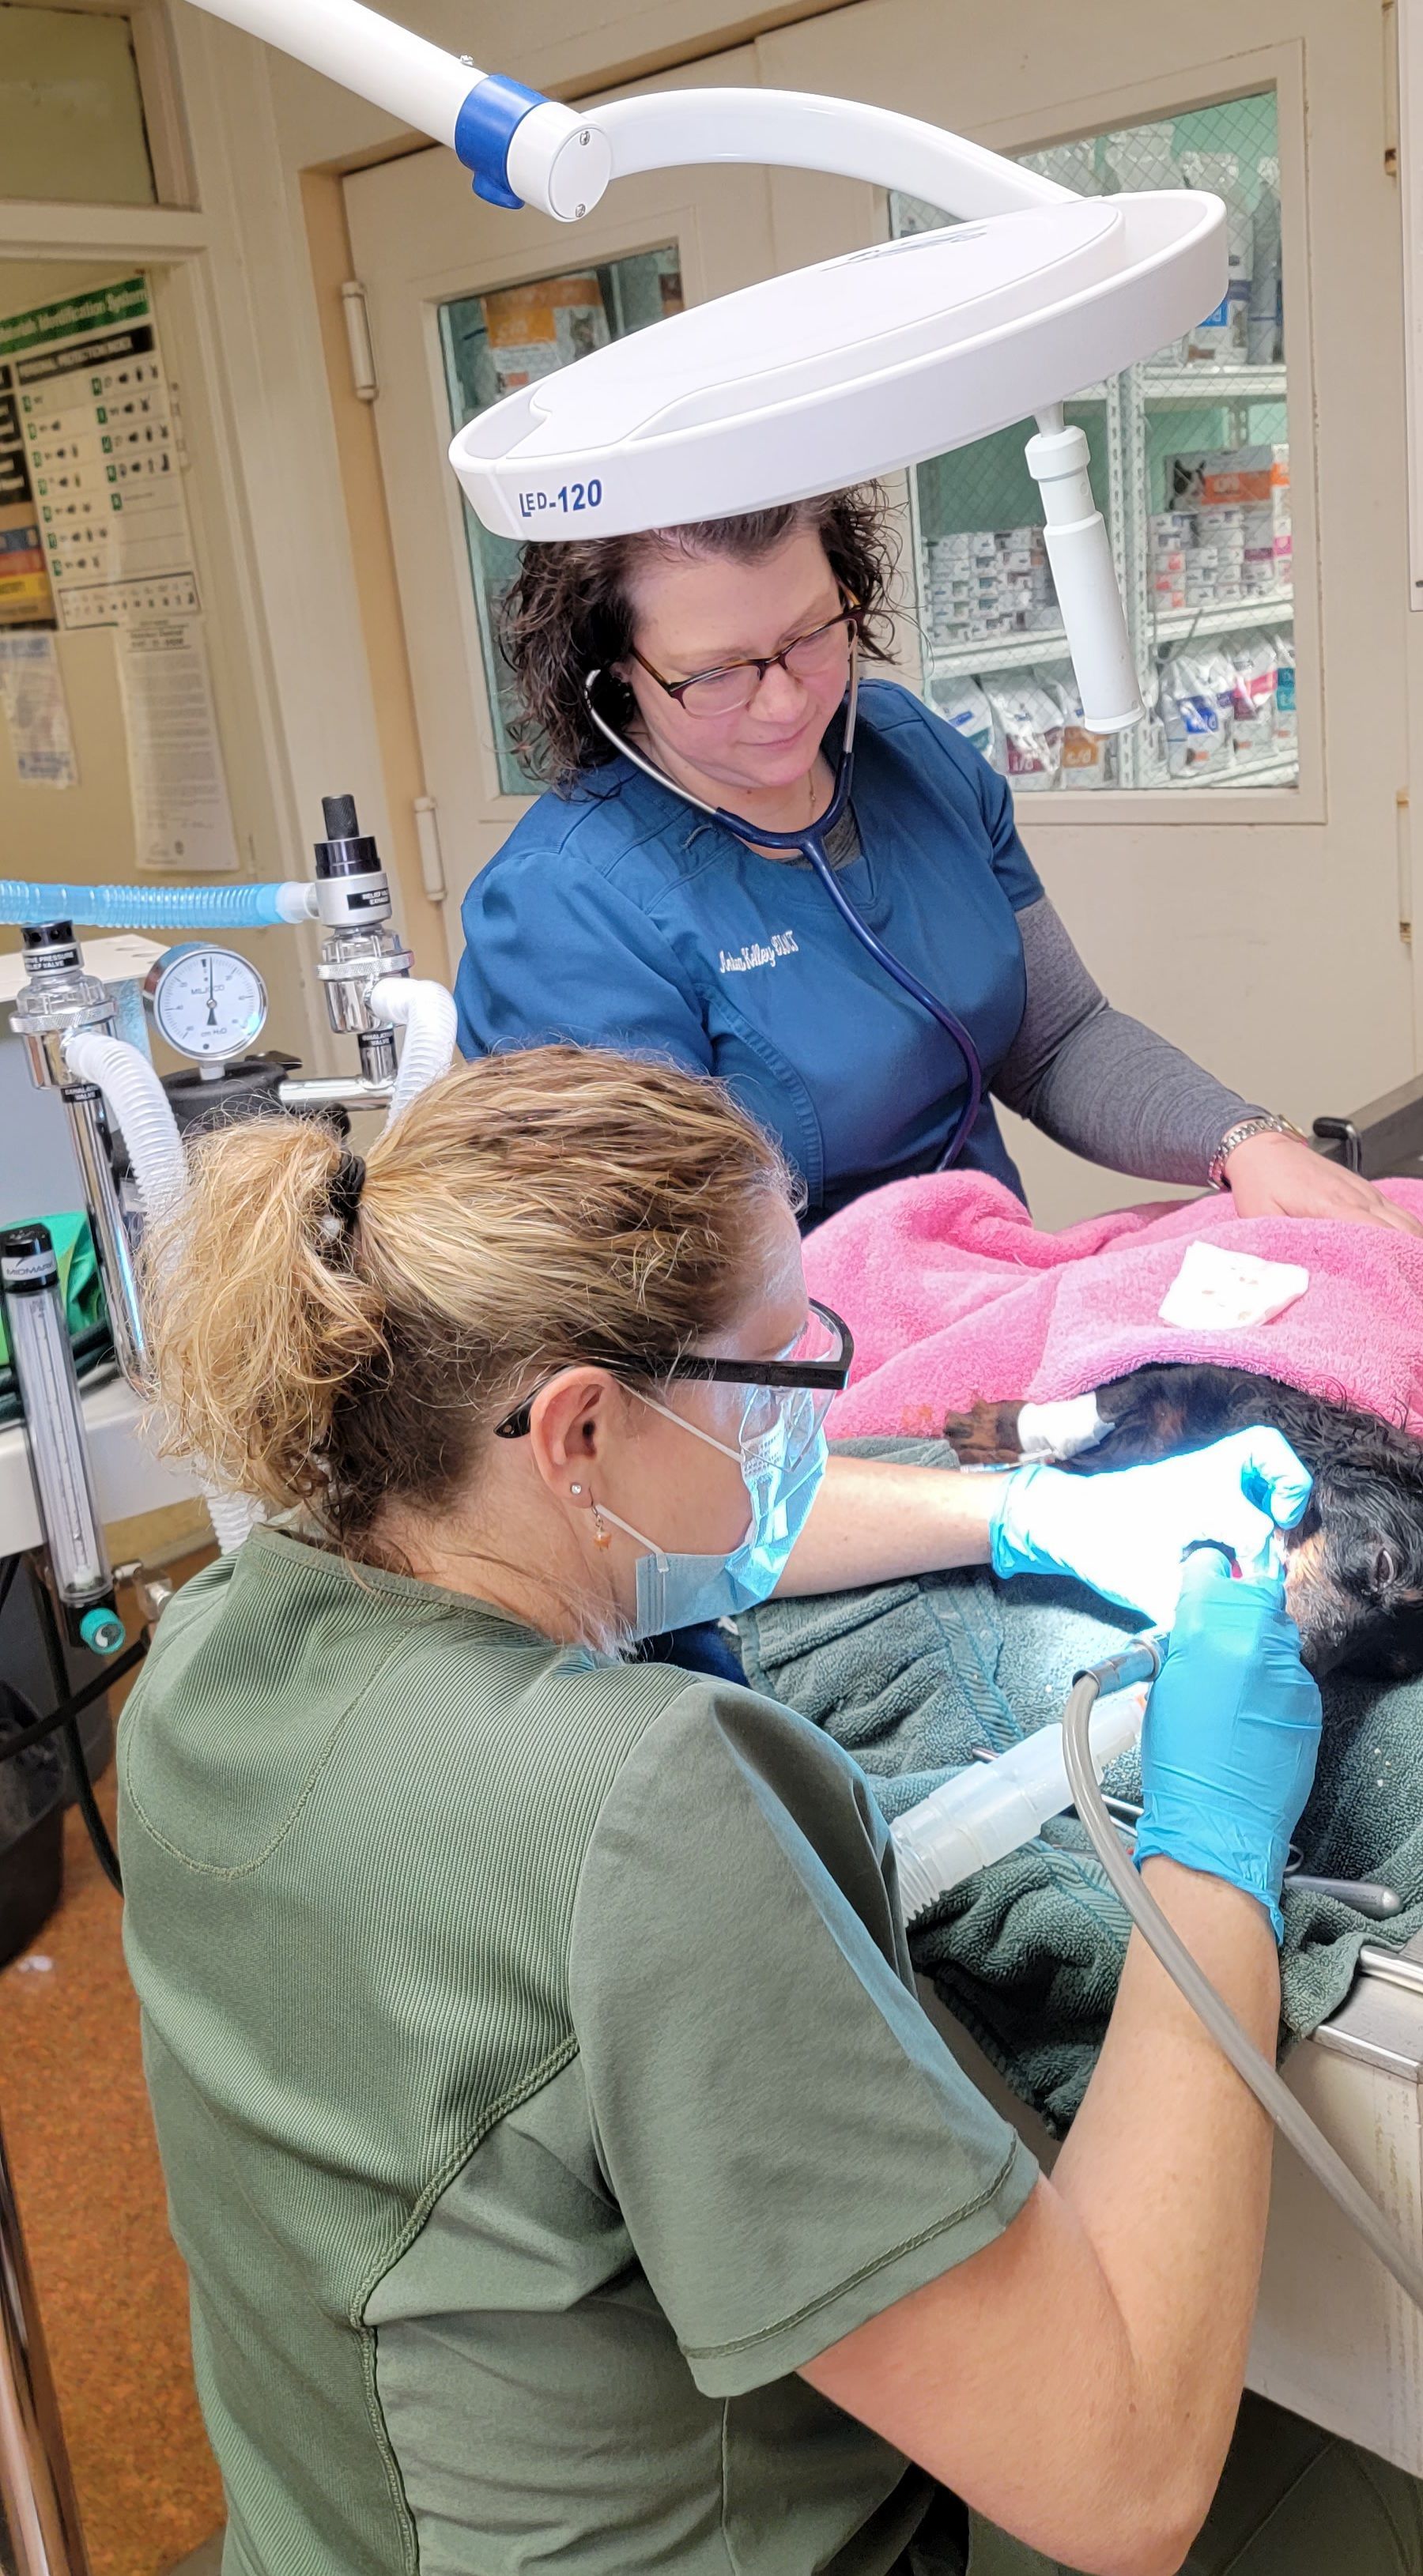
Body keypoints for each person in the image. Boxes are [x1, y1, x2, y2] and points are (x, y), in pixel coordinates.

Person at [121, 1044, 1421, 2576]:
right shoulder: (648, 1801)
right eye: (786, 1371)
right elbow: (1119, 2477)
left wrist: (1023, 1507)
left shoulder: (216, 1640)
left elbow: (684, 1522)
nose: (821, 1406)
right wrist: (1213, 1847)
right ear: (581, 1431)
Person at [455, 488, 1419, 1237]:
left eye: (810, 636)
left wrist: (1241, 1142)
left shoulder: (909, 750)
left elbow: (1060, 1038)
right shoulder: (565, 911)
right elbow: (651, 1271)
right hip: (790, 1383)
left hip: (980, 1288)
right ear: (613, 671)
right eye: (718, 673)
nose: (788, 702)